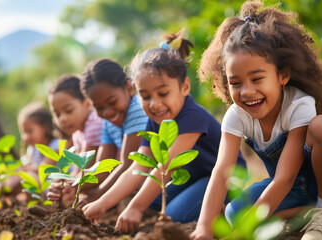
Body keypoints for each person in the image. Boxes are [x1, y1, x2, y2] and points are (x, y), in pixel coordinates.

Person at [191, 2, 322, 240]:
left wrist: (241, 234)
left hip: (320, 183)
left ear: (282, 75)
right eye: (235, 83)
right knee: (235, 212)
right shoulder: (236, 116)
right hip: (293, 192)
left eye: (257, 79)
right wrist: (204, 226)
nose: (246, 91)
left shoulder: (299, 105)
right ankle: (307, 213)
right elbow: (221, 171)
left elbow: (284, 177)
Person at [82, 31, 246, 233]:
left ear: (184, 87)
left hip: (224, 179)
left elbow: (166, 166)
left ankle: (220, 212)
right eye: (145, 96)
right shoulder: (155, 120)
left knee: (174, 216)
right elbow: (138, 166)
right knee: (148, 201)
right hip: (193, 177)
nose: (155, 103)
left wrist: (136, 207)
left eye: (163, 93)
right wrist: (102, 203)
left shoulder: (192, 116)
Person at [47, 61, 149, 207]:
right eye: (99, 108)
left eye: (112, 102)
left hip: (153, 178)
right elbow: (102, 169)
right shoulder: (107, 122)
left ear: (128, 88)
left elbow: (127, 165)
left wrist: (96, 200)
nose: (107, 112)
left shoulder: (136, 111)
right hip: (132, 179)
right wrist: (70, 185)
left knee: (126, 204)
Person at [18, 102, 59, 168]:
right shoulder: (33, 150)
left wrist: (24, 169)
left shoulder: (55, 146)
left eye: (30, 131)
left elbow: (42, 170)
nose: (26, 137)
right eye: (23, 132)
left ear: (44, 127)